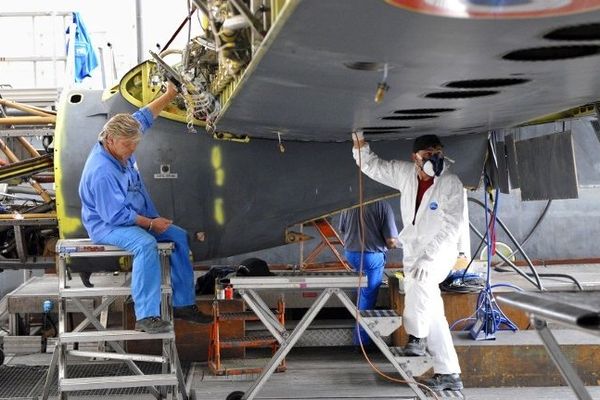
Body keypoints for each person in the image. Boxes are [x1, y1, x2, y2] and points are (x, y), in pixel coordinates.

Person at [78, 82, 211, 334]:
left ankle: (184, 304)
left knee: (179, 238)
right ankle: (147, 315)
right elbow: (116, 215)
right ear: (110, 140)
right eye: (128, 146)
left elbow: (144, 117)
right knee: (145, 245)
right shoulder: (102, 172)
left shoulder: (122, 138)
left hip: (135, 214)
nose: (132, 150)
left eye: (134, 145)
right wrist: (150, 224)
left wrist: (170, 94)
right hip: (107, 224)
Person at [351, 132, 464, 391]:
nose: (434, 159)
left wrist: (430, 256)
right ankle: (449, 373)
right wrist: (360, 144)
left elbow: (452, 226)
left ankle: (417, 338)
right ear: (415, 157)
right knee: (433, 312)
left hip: (439, 251)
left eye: (438, 153)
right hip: (413, 252)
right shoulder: (405, 174)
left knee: (423, 285)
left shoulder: (450, 182)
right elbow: (374, 166)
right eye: (428, 155)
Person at [339, 201, 398, 346]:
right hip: (371, 257)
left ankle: (360, 333)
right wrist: (407, 243)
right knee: (368, 296)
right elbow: (391, 242)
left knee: (361, 290)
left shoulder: (347, 203)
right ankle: (361, 342)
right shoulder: (382, 205)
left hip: (351, 255)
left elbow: (342, 229)